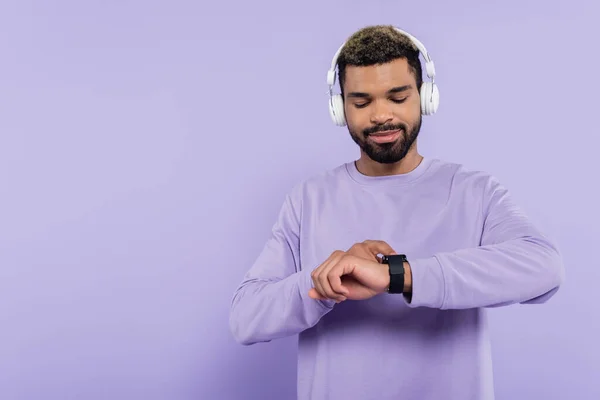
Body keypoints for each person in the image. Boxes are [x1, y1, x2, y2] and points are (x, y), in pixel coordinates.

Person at [228, 25, 564, 400]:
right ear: (339, 109)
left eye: (397, 97)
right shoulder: (308, 199)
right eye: (361, 102)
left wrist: (398, 275)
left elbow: (544, 268)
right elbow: (245, 319)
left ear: (425, 96)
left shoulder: (474, 191)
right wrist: (325, 282)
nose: (380, 116)